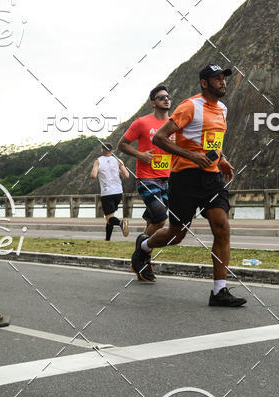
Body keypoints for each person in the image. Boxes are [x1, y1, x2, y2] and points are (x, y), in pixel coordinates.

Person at [130, 63, 246, 308]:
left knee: (222, 227)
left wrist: (222, 158)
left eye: (224, 78)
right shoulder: (190, 106)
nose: (222, 82)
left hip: (211, 178)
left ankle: (219, 290)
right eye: (216, 78)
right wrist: (192, 156)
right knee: (176, 234)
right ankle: (144, 245)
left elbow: (211, 141)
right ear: (204, 83)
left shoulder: (222, 109)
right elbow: (159, 138)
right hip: (184, 178)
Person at [118, 84, 173, 238]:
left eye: (168, 97)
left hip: (168, 179)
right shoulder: (142, 122)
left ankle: (142, 258)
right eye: (162, 97)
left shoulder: (174, 124)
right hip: (147, 179)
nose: (166, 100)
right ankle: (141, 250)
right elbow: (122, 144)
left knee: (152, 221)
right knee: (161, 220)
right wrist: (140, 154)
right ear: (153, 103)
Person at [90, 143, 130, 240]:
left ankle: (121, 223)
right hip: (118, 192)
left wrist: (97, 170)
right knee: (110, 217)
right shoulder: (118, 161)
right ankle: (107, 239)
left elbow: (93, 176)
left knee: (109, 217)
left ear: (102, 150)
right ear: (112, 151)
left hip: (107, 192)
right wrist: (119, 171)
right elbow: (127, 175)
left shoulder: (98, 161)